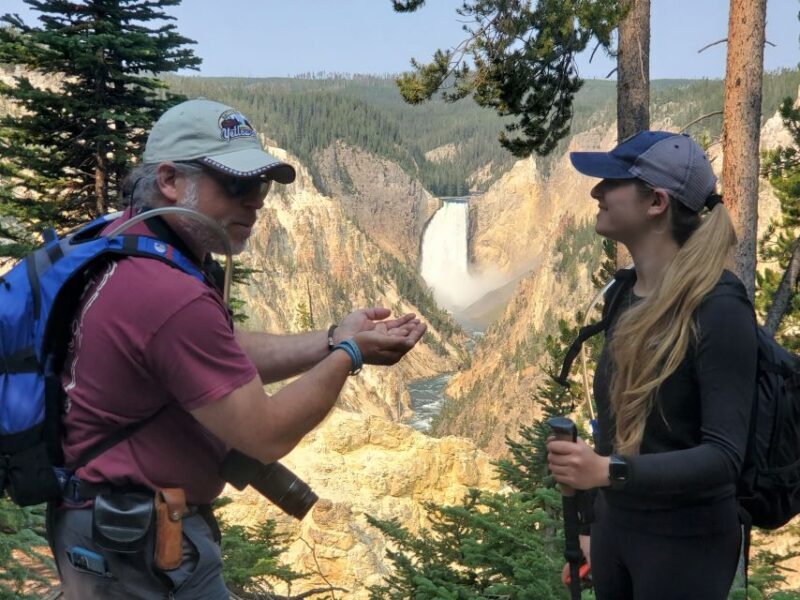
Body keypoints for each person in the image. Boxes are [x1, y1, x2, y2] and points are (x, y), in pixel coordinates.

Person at [48, 98, 427, 599]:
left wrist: (332, 338)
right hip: (137, 552)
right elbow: (264, 436)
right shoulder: (168, 294)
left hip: (109, 531)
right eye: (236, 183)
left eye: (261, 185)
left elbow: (218, 356)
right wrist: (350, 356)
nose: (257, 201)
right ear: (169, 180)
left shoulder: (128, 244)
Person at [546, 131, 757, 600]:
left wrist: (607, 473)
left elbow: (723, 458)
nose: (596, 192)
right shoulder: (624, 295)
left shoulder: (719, 309)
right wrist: (591, 525)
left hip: (687, 543)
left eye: (613, 182)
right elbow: (614, 428)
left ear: (656, 202)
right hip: (617, 532)